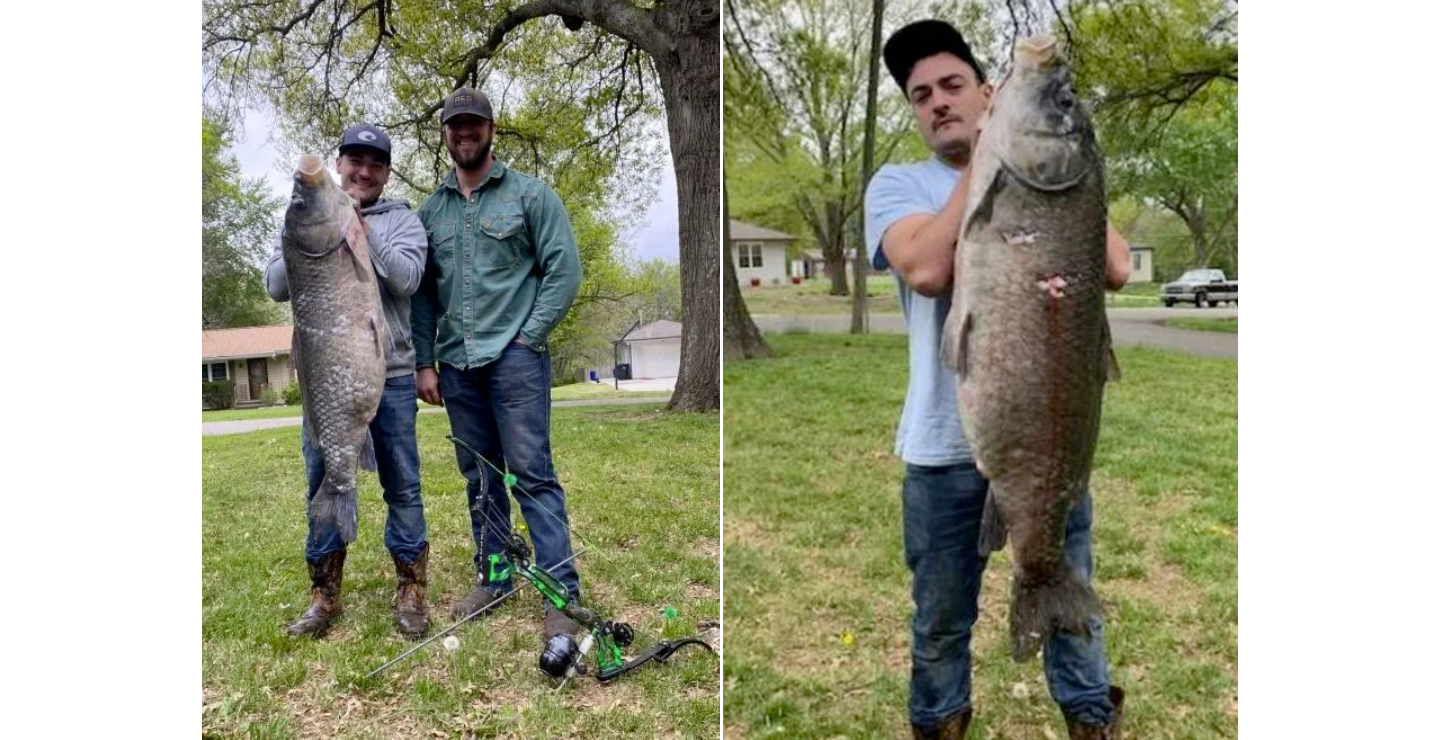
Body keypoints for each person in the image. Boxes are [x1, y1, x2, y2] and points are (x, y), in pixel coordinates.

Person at [864, 21, 1131, 740]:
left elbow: (1116, 268)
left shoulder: (1056, 165)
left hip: (1051, 449)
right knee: (942, 624)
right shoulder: (898, 185)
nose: (937, 103)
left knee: (1075, 621)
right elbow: (925, 270)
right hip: (941, 453)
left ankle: (1088, 721)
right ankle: (940, 724)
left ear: (991, 93)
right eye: (921, 96)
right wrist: (986, 165)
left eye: (953, 86)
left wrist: (1066, 159)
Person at [411, 87, 585, 640]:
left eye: (474, 124)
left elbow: (564, 271)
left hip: (515, 361)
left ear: (490, 130)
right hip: (457, 366)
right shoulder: (430, 212)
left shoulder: (531, 197)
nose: (464, 133)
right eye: (454, 126)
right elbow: (421, 298)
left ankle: (561, 592)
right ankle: (495, 575)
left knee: (532, 474)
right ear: (445, 134)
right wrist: (425, 362)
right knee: (479, 477)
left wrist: (528, 338)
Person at [265, 124, 432, 640]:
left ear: (386, 171)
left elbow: (407, 278)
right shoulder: (305, 216)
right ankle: (324, 594)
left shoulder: (403, 220)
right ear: (338, 163)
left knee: (403, 484)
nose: (363, 171)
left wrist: (363, 228)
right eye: (354, 161)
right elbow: (275, 285)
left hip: (394, 376)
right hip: (325, 379)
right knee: (324, 478)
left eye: (375, 164)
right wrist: (317, 226)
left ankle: (410, 589)